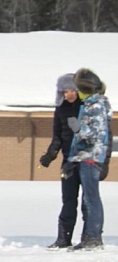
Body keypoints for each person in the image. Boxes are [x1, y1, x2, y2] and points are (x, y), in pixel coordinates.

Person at [62, 68, 112, 251]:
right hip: (84, 157)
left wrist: (77, 129)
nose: (77, 92)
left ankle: (93, 237)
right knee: (88, 198)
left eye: (79, 88)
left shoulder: (97, 105)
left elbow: (95, 134)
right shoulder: (90, 104)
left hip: (91, 158)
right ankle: (88, 237)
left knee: (91, 198)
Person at [38, 73, 84, 249]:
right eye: (65, 91)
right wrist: (50, 155)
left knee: (88, 202)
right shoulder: (60, 110)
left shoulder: (86, 107)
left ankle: (88, 238)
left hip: (86, 161)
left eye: (72, 90)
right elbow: (57, 136)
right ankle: (63, 239)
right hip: (68, 161)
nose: (69, 94)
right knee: (68, 200)